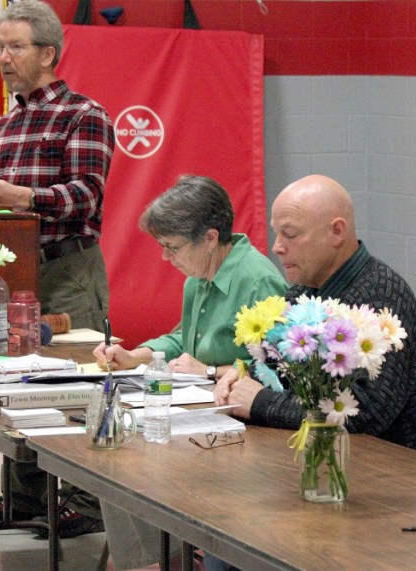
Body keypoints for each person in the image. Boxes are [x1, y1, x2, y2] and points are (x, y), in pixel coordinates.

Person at [0, 0, 116, 539]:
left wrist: (26, 197)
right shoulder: (2, 126)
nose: (2, 58)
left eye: (15, 47)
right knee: (18, 381)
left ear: (48, 53)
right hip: (16, 270)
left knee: (77, 383)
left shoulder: (83, 115)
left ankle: (88, 502)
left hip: (67, 270)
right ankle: (24, 497)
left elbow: (87, 196)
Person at [93, 175, 287, 569]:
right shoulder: (199, 277)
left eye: (172, 247)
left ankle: (162, 558)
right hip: (202, 411)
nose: (167, 258)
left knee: (135, 455)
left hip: (248, 426)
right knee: (113, 454)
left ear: (211, 237)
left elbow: (281, 369)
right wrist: (136, 355)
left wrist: (212, 370)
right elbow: (184, 339)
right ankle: (157, 557)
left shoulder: (257, 279)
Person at [215, 174, 416, 458]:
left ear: (336, 232)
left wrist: (260, 401)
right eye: (277, 233)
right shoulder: (305, 289)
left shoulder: (382, 298)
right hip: (325, 457)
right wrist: (243, 378)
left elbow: (363, 414)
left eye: (290, 234)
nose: (277, 247)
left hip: (396, 471)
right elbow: (276, 366)